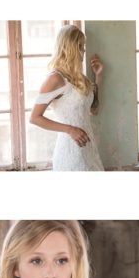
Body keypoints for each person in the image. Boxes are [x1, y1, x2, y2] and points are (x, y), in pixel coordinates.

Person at [29, 25, 105, 171]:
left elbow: (93, 110)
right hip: (70, 150)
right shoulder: (55, 79)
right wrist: (70, 130)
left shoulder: (79, 78)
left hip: (89, 149)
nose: (83, 51)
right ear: (71, 48)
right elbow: (34, 118)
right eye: (81, 46)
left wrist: (99, 76)